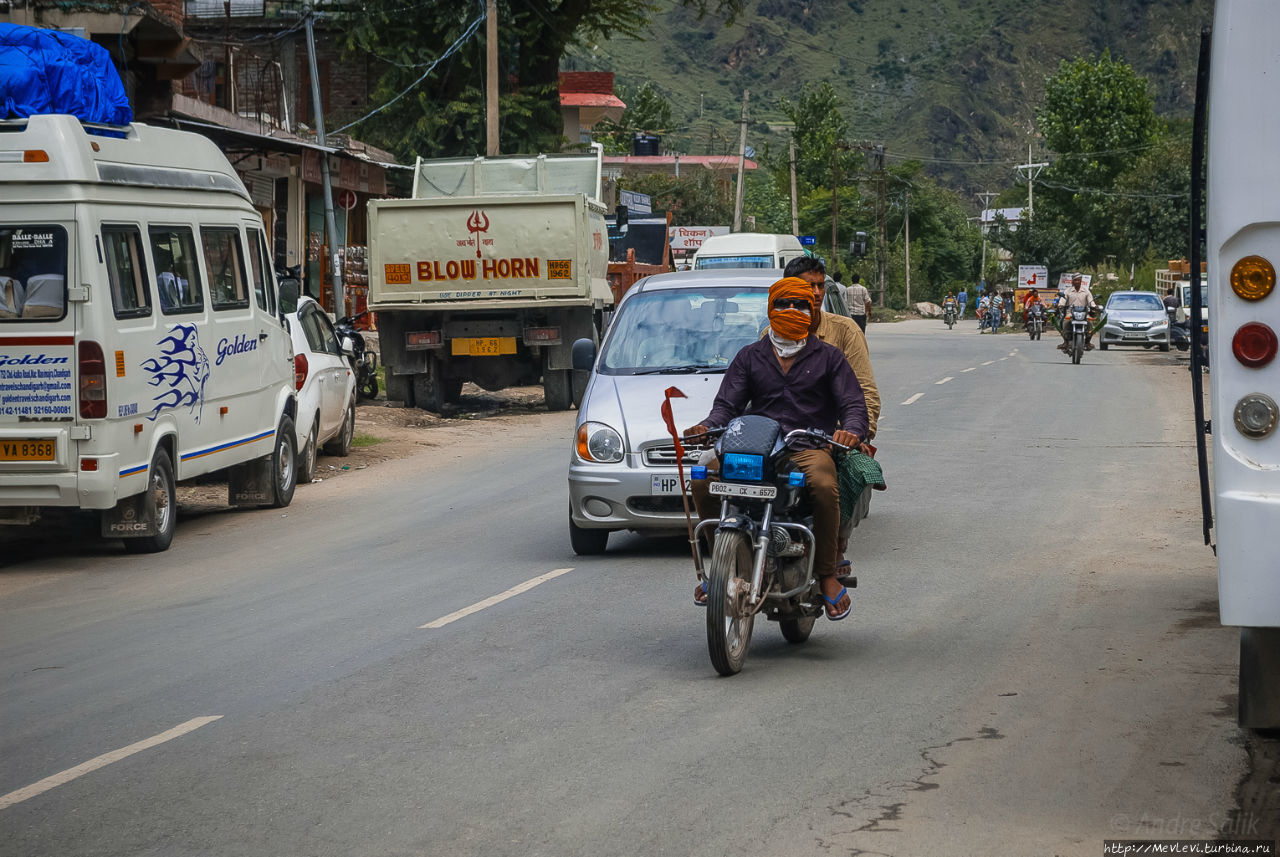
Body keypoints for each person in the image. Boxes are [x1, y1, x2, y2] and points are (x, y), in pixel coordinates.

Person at [686, 275, 868, 620]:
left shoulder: (830, 358)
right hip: (756, 445)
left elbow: (853, 406)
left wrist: (853, 431)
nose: (792, 310)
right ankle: (720, 566)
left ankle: (827, 573)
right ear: (770, 310)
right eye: (783, 304)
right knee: (701, 478)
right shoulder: (750, 356)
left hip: (807, 445)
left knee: (825, 485)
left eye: (800, 305)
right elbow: (726, 406)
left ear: (812, 312)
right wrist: (707, 427)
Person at [782, 257, 882, 574]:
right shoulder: (768, 336)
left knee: (854, 472)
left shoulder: (844, 331)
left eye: (819, 285)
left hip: (828, 438)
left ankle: (833, 553)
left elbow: (865, 393)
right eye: (806, 285)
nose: (815, 292)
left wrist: (854, 433)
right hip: (780, 439)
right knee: (714, 472)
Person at [1058, 274, 1099, 351]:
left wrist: (1094, 306)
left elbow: (1090, 301)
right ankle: (1066, 341)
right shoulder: (1067, 291)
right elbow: (1063, 300)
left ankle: (1087, 342)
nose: (1077, 282)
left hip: (1084, 313)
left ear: (1081, 281)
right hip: (1070, 313)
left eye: (1078, 280)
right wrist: (1061, 305)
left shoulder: (1086, 291)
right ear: (1072, 281)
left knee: (1090, 324)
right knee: (1064, 323)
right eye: (1075, 280)